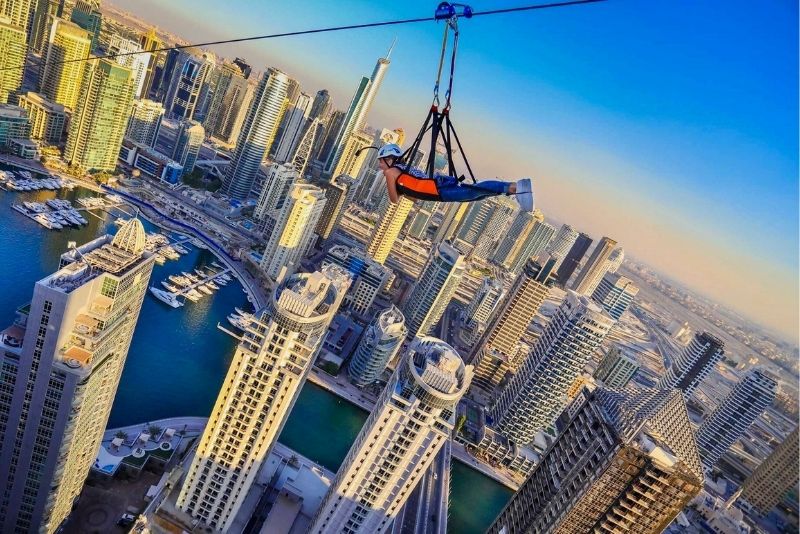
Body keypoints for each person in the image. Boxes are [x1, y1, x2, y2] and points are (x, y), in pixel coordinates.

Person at [376, 144, 534, 212]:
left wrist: (397, 188)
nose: (380, 166)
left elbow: (394, 199)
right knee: (477, 195)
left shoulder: (390, 173)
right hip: (439, 187)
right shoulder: (403, 169)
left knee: (473, 191)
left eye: (381, 161)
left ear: (389, 159)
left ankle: (516, 187)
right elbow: (415, 197)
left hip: (439, 191)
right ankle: (512, 189)